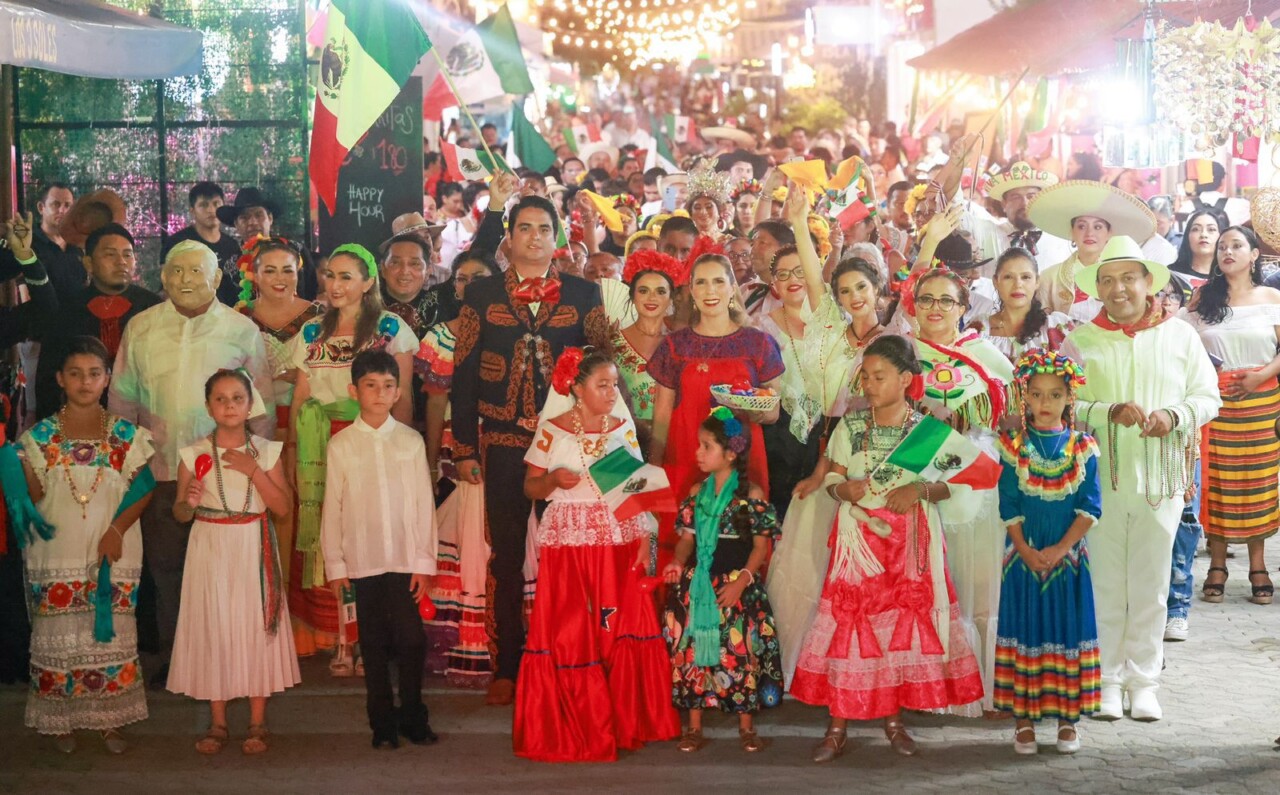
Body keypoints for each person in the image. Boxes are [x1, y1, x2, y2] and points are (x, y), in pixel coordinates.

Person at [790, 335, 988, 761]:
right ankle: (837, 723)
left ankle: (894, 722)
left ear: (905, 379)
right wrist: (843, 488)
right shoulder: (850, 426)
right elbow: (831, 481)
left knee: (898, 629)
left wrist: (920, 488)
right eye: (865, 376)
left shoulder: (927, 432)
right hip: (859, 545)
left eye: (880, 376)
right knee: (851, 625)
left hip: (909, 546)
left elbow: (963, 484)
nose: (870, 384)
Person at [451, 187, 610, 706]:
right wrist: (464, 448)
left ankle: (569, 656)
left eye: (545, 229)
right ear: (509, 238)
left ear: (557, 236)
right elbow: (464, 374)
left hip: (565, 445)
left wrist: (604, 440)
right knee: (505, 557)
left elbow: (601, 370)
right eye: (525, 228)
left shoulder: (585, 295)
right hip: (501, 441)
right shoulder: (480, 294)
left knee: (570, 553)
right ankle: (508, 666)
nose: (535, 238)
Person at [1063, 235, 1220, 722]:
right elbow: (1062, 405)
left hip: (1161, 479)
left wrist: (1173, 417)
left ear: (1148, 281)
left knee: (1152, 583)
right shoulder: (1082, 340)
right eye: (1107, 280)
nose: (1118, 289)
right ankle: (1106, 679)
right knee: (1105, 581)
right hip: (1099, 480)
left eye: (1128, 278)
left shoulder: (1179, 336)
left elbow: (1208, 397)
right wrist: (1107, 411)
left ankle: (1144, 680)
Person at [109, 240, 275, 689]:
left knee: (225, 571)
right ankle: (176, 659)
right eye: (175, 271)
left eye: (195, 271)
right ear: (161, 277)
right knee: (166, 571)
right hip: (160, 471)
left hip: (228, 477)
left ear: (217, 278)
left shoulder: (241, 331)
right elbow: (122, 402)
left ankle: (227, 659)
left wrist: (257, 469)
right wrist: (125, 464)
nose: (185, 279)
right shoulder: (140, 328)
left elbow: (261, 408)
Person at [515, 349, 678, 761]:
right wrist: (551, 479)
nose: (611, 392)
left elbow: (636, 492)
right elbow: (530, 487)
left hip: (615, 540)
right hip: (568, 543)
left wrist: (644, 541)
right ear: (577, 387)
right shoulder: (552, 431)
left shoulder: (620, 428)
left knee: (612, 624)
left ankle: (620, 721)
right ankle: (577, 723)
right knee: (572, 628)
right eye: (602, 385)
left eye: (614, 384)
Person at [16, 337, 155, 755]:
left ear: (107, 379)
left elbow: (143, 488)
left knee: (108, 635)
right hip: (56, 551)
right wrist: (16, 466)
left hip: (113, 549)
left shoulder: (126, 435)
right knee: (58, 634)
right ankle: (61, 722)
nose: (84, 381)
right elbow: (35, 495)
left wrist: (116, 531)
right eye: (75, 374)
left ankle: (109, 721)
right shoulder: (38, 437)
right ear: (59, 379)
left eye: (94, 373)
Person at [289, 244, 418, 673]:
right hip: (318, 447)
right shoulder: (311, 332)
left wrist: (402, 452)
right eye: (330, 275)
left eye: (347, 277)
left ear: (368, 283)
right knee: (331, 539)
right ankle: (338, 638)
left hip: (372, 442)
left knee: (368, 536)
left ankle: (371, 640)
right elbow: (301, 397)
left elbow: (403, 397)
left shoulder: (388, 327)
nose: (336, 285)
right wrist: (293, 451)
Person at [168, 369, 297, 755]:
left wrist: (254, 471)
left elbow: (283, 507)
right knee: (215, 624)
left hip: (252, 544)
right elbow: (179, 513)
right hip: (209, 545)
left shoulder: (266, 450)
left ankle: (258, 721)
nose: (229, 406)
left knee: (254, 624)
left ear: (249, 403)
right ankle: (218, 721)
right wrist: (187, 503)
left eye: (237, 398)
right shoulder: (193, 453)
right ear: (208, 406)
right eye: (220, 399)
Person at [909, 267, 1015, 716]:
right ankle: (927, 686)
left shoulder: (985, 353)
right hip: (917, 470)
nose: (936, 308)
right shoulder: (904, 351)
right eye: (927, 299)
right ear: (914, 305)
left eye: (946, 301)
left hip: (975, 474)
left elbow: (1014, 414)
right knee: (928, 575)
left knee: (974, 575)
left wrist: (969, 424)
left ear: (963, 307)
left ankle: (978, 683)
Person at [321, 350, 439, 750]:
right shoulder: (341, 445)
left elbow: (424, 503)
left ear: (398, 391)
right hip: (363, 560)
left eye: (388, 386)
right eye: (370, 385)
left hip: (405, 559)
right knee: (371, 643)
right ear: (354, 390)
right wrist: (336, 566)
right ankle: (382, 724)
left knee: (411, 639)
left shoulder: (410, 441)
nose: (379, 393)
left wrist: (424, 563)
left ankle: (413, 716)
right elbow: (332, 507)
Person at [995, 350, 1102, 755]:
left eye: (1054, 395)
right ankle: (1022, 720)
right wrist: (1023, 548)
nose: (1045, 403)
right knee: (1025, 628)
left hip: (1068, 557)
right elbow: (1009, 505)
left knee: (1066, 629)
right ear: (1025, 397)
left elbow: (1090, 507)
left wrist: (1059, 549)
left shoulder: (1083, 446)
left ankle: (1067, 720)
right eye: (1036, 394)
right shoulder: (1013, 445)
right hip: (1021, 556)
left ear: (1068, 399)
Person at [648, 254, 783, 567]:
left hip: (742, 458)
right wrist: (655, 466)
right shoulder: (674, 346)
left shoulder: (758, 343)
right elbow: (662, 414)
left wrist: (755, 409)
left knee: (742, 542)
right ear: (691, 292)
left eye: (719, 281)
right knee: (683, 542)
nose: (710, 290)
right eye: (701, 282)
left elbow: (773, 411)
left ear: (732, 288)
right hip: (684, 454)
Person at [662, 407, 782, 754]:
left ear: (730, 453)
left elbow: (761, 547)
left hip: (735, 587)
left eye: (706, 447)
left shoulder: (752, 496)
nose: (698, 453)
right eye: (698, 446)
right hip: (698, 584)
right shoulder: (698, 491)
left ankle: (746, 725)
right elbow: (687, 537)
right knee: (692, 650)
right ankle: (694, 725)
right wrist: (676, 562)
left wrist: (741, 582)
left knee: (740, 651)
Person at [1182, 227, 1280, 606]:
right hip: (1216, 405)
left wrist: (1264, 374)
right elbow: (1185, 346)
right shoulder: (1203, 299)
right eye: (1222, 246)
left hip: (1263, 403)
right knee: (1218, 482)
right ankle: (1217, 565)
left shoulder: (1272, 297)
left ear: (1255, 254)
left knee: (1258, 483)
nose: (1227, 251)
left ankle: (1258, 565)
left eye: (1236, 245)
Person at [3, 218, 161, 420]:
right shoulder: (68, 309)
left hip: (144, 420)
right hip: (79, 421)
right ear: (89, 263)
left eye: (127, 254)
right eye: (110, 254)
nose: (121, 261)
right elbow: (48, 375)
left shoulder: (153, 308)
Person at [1031, 180, 1158, 322]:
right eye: (1081, 226)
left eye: (1098, 227)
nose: (1089, 233)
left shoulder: (1129, 275)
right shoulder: (1049, 277)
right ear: (1071, 232)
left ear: (1109, 233)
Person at [612, 250, 680, 454]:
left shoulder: (680, 345)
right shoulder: (611, 343)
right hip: (623, 442)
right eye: (643, 290)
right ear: (632, 296)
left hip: (674, 442)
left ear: (671, 298)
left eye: (660, 291)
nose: (652, 298)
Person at [971, 247, 1074, 362]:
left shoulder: (1056, 327)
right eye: (1008, 277)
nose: (1018, 284)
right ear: (996, 282)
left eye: (1026, 277)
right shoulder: (978, 329)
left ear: (1037, 282)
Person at [0, 182, 85, 303]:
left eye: (67, 205)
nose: (62, 210)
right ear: (41, 207)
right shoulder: (25, 245)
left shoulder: (77, 248)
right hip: (40, 318)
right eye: (56, 204)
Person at [984, 162, 1070, 269]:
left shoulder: (1063, 240)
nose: (1024, 203)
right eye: (1016, 197)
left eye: (1031, 196)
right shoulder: (989, 236)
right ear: (1004, 204)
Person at [161, 182, 240, 265]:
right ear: (192, 211)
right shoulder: (176, 244)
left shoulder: (232, 246)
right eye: (204, 205)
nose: (211, 210)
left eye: (216, 204)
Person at [1168, 208, 1227, 294]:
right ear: (1187, 237)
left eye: (1211, 229)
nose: (1203, 234)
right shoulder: (1172, 276)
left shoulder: (1228, 277)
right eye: (1196, 229)